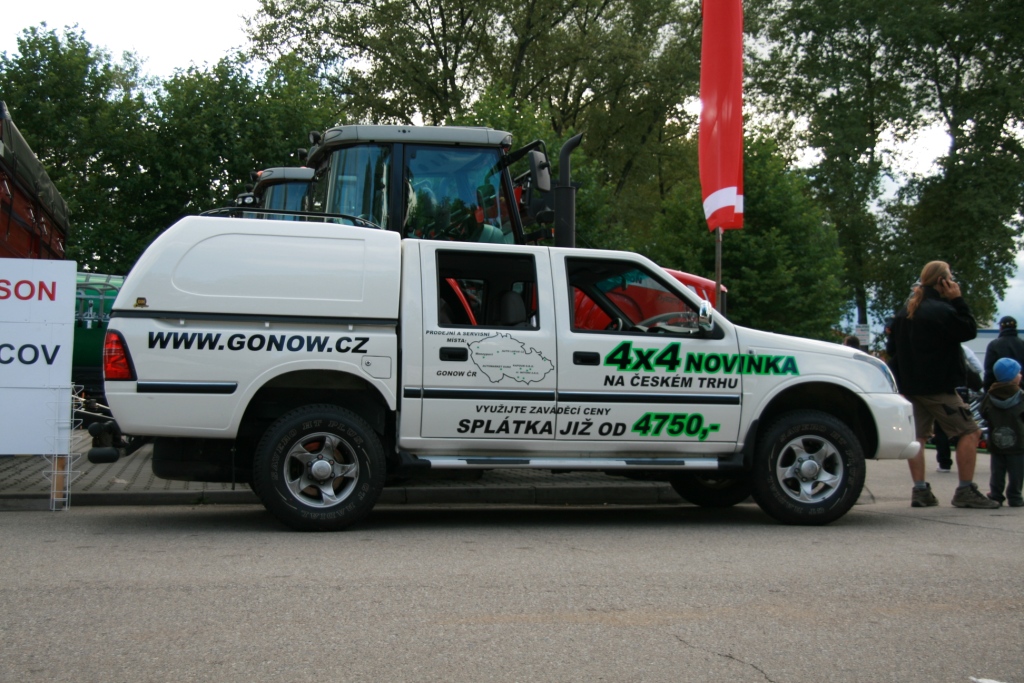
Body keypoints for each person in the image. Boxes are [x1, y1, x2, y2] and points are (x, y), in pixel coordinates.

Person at [886, 261, 999, 508]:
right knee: (970, 431)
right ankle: (965, 489)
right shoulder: (941, 310)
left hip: (910, 386)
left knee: (918, 438)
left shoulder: (905, 312)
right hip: (938, 387)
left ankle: (920, 490)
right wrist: (957, 299)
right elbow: (968, 330)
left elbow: (891, 349)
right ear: (942, 282)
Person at [979, 358, 1024, 507]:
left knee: (997, 471)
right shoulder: (1021, 396)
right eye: (1018, 372)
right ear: (1013, 377)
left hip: (996, 440)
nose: (1021, 375)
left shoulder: (990, 396)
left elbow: (983, 413)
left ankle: (996, 495)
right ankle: (1015, 496)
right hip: (1018, 442)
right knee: (1017, 472)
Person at [983, 316, 1024, 390]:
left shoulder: (994, 345)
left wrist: (987, 391)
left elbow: (989, 372)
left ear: (1001, 328)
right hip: (1021, 390)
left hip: (1000, 392)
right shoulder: (1022, 344)